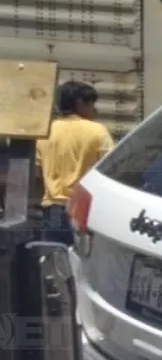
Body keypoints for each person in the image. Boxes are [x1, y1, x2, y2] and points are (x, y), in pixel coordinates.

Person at [34, 80, 114, 244]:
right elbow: (112, 168)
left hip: (53, 210)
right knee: (84, 262)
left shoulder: (46, 131)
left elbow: (37, 174)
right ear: (79, 103)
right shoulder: (97, 131)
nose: (94, 109)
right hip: (85, 210)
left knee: (57, 261)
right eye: (91, 104)